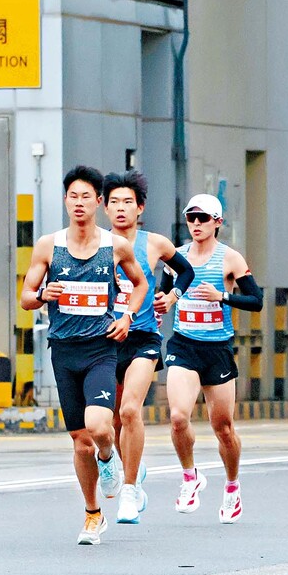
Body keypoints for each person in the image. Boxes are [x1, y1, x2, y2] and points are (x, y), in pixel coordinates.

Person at [20, 165, 148, 545]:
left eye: (86, 197)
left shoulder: (115, 246)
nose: (79, 203)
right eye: (72, 196)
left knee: (98, 427)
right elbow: (26, 296)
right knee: (79, 441)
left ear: (98, 202)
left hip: (100, 349)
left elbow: (140, 284)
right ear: (65, 200)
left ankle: (109, 457)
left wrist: (127, 315)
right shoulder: (48, 245)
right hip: (63, 351)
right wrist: (44, 295)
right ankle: (93, 514)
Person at [155, 194, 263, 524]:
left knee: (223, 427)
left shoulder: (229, 259)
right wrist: (160, 306)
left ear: (218, 222)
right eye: (192, 218)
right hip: (184, 346)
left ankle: (232, 487)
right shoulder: (177, 257)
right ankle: (190, 477)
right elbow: (163, 293)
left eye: (204, 218)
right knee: (177, 417)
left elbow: (256, 301)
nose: (197, 224)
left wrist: (223, 297)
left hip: (217, 349)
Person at [102, 170, 195, 525]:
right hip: (104, 338)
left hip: (143, 337)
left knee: (129, 411)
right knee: (108, 421)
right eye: (114, 203)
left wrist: (171, 296)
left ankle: (129, 491)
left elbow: (185, 271)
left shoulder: (154, 243)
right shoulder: (94, 243)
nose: (121, 209)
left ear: (140, 208)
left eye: (128, 202)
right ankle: (127, 468)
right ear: (104, 208)